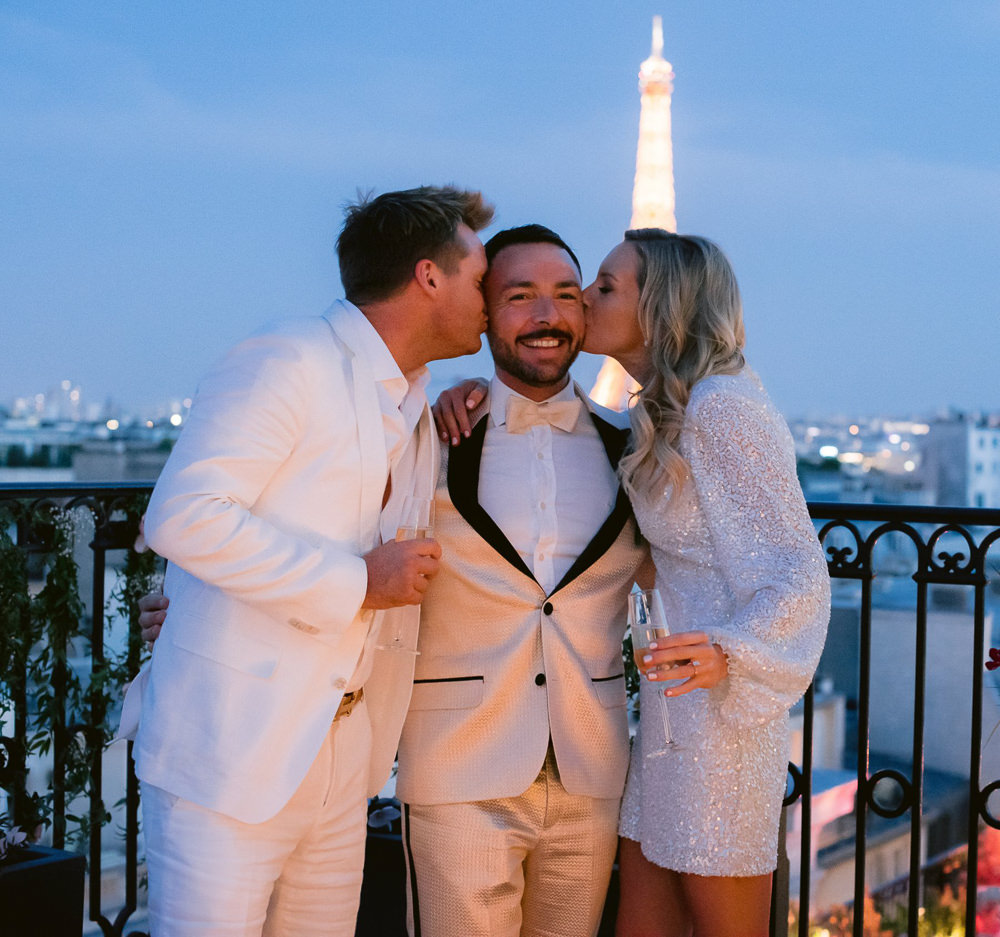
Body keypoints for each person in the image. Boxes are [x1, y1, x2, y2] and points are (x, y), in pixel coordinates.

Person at [120, 185, 493, 937]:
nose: (489, 299)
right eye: (480, 278)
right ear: (428, 276)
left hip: (343, 762)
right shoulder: (288, 358)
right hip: (229, 760)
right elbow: (185, 513)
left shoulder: (418, 403)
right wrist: (360, 580)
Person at [396, 225, 649, 937]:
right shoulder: (432, 437)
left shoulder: (629, 447)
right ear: (484, 315)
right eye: (521, 296)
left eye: (566, 295)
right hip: (457, 769)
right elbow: (346, 532)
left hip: (589, 770)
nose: (548, 314)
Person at [581, 229, 830, 937]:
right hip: (671, 714)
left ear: (659, 306)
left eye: (606, 286)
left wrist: (733, 652)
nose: (586, 297)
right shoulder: (666, 409)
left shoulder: (721, 408)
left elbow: (798, 570)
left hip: (722, 719)